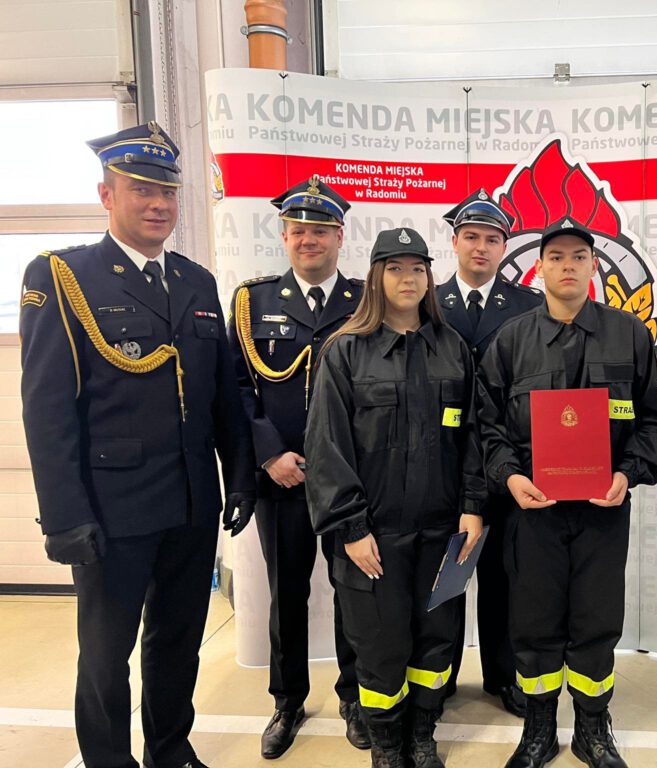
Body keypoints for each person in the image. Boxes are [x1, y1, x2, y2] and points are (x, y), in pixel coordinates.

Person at [19, 122, 256, 768]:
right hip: (111, 510)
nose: (157, 204)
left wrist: (239, 475)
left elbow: (222, 397)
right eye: (141, 190)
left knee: (177, 641)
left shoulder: (196, 282)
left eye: (167, 193)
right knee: (105, 655)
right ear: (106, 194)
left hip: (191, 502)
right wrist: (63, 517)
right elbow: (46, 410)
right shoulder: (65, 277)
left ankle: (169, 750)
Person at [476, 220, 657, 768]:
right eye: (557, 257)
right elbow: (487, 425)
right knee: (534, 622)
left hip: (601, 512)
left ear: (594, 266)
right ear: (538, 267)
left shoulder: (628, 335)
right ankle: (538, 730)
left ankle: (593, 728)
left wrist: (628, 474)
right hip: (532, 514)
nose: (568, 265)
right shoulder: (511, 340)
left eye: (579, 257)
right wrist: (510, 476)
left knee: (595, 620)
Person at [305, 228, 486, 768]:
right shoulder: (345, 351)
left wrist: (473, 507)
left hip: (443, 532)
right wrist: (351, 528)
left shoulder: (452, 348)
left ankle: (422, 735)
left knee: (436, 640)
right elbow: (326, 446)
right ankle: (386, 746)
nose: (408, 279)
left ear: (429, 278)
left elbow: (474, 436)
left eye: (417, 268)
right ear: (375, 278)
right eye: (395, 268)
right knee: (380, 647)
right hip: (375, 535)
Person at [228, 177, 368, 758]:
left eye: (320, 230)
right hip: (281, 479)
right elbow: (239, 387)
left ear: (340, 236)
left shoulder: (366, 300)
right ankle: (287, 701)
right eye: (298, 231)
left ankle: (355, 696)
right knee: (286, 594)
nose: (308, 240)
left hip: (349, 480)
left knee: (354, 590)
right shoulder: (253, 302)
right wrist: (268, 454)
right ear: (284, 236)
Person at [436, 189, 543, 716]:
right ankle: (438, 676)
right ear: (455, 242)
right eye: (471, 237)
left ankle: (504, 676)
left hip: (505, 459)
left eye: (492, 239)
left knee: (505, 577)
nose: (481, 247)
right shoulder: (427, 301)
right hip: (440, 460)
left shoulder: (529, 306)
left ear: (505, 247)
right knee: (444, 576)